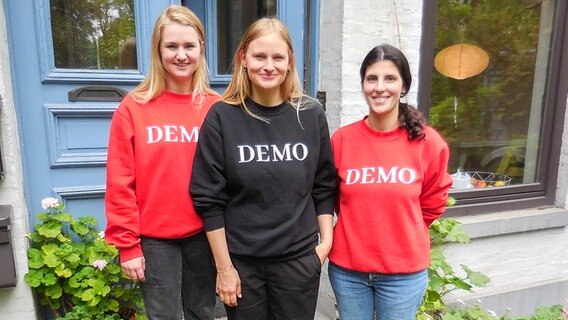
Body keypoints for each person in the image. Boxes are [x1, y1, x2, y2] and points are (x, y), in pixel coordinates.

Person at [189, 17, 337, 320]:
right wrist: (224, 268)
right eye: (259, 56)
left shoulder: (310, 115)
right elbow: (208, 199)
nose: (268, 66)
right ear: (244, 58)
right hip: (243, 266)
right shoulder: (222, 117)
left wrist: (325, 245)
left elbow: (324, 185)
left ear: (289, 62)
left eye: (277, 57)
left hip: (299, 262)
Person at [105, 5, 219, 320]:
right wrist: (128, 245)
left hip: (206, 234)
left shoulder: (218, 108)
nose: (181, 55)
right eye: (171, 46)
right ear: (158, 50)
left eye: (188, 46)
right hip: (155, 238)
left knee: (202, 312)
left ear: (201, 49)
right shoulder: (133, 108)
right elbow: (119, 183)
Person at [328, 43, 453, 320]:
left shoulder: (427, 143)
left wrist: (399, 231)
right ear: (362, 84)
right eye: (372, 78)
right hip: (349, 271)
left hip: (403, 274)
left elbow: (432, 205)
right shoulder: (342, 140)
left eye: (390, 78)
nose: (379, 87)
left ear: (404, 85)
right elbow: (334, 199)